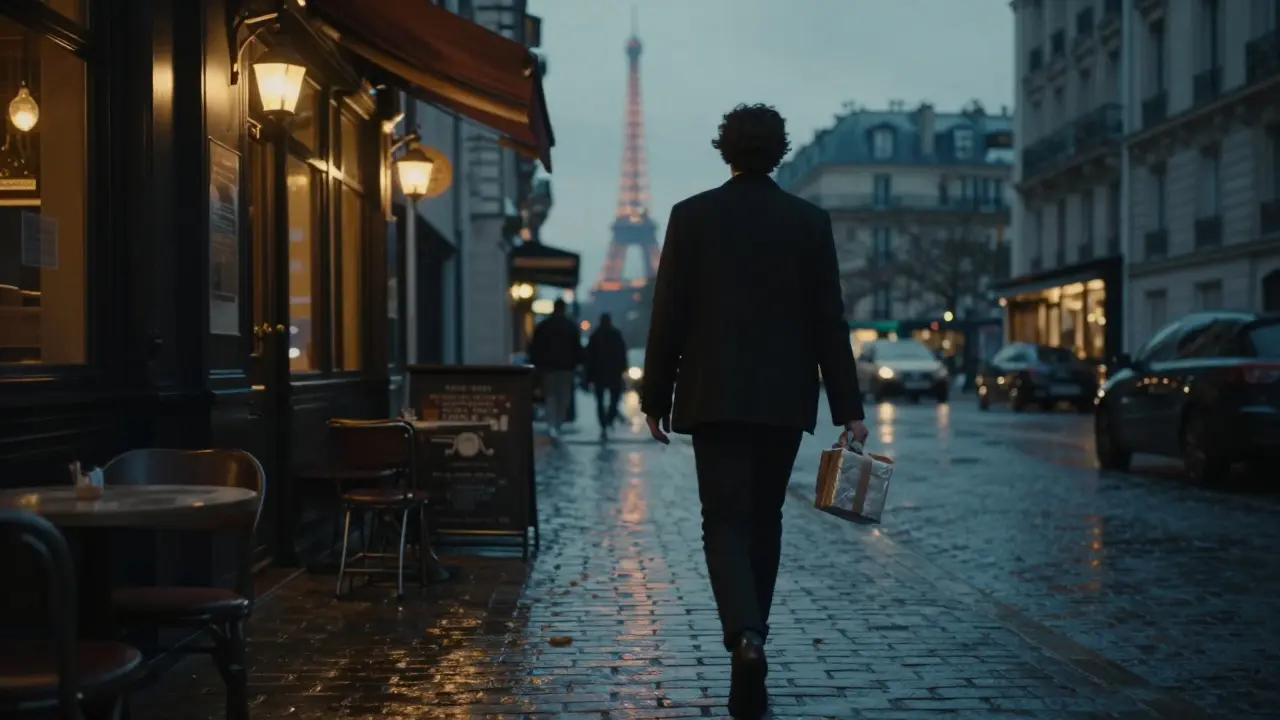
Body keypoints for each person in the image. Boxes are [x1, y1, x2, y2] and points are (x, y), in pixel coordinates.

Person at [640, 103, 869, 719]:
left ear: (726, 150)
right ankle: (756, 639)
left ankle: (742, 638)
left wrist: (653, 396)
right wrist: (849, 407)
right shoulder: (808, 221)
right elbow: (830, 321)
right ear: (780, 152)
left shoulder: (692, 217)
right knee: (765, 520)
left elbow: (669, 316)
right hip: (781, 397)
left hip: (712, 395)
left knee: (724, 521)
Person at [528, 298, 583, 437]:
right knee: (563, 397)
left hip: (548, 368)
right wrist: (577, 365)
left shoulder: (544, 326)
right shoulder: (570, 326)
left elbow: (534, 348)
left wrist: (537, 364)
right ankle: (558, 423)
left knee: (550, 396)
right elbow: (577, 349)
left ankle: (552, 424)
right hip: (566, 368)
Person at [584, 313, 629, 439]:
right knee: (614, 399)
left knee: (600, 400)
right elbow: (622, 353)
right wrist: (622, 369)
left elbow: (589, 357)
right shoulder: (615, 334)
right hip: (613, 373)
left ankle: (604, 422)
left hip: (599, 374)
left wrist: (588, 377)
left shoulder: (595, 336)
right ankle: (609, 419)